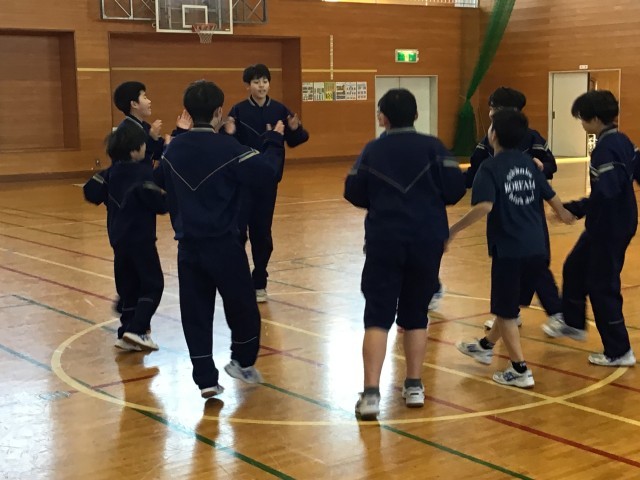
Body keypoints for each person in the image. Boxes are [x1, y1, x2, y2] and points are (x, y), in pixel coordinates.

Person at [154, 80, 285, 398]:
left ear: (187, 112)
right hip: (225, 245)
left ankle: (205, 379)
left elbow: (158, 187)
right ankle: (241, 361)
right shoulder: (229, 149)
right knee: (243, 308)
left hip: (188, 247)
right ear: (218, 112)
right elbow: (268, 173)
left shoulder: (173, 151)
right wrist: (274, 140)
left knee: (195, 313)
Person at [344, 88, 465, 419]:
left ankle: (371, 395)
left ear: (382, 118)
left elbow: (353, 191)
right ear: (416, 115)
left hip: (384, 240)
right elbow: (455, 189)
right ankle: (413, 386)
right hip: (427, 241)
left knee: (377, 316)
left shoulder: (373, 150)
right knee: (416, 315)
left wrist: (382, 200)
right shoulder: (435, 147)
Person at [452, 109, 575, 389]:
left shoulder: (489, 167)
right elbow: (551, 196)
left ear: (493, 134)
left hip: (509, 250)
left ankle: (520, 369)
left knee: (506, 311)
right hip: (537, 248)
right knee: (509, 305)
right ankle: (485, 346)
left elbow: (484, 206)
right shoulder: (529, 164)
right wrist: (565, 214)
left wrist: (453, 230)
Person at [542, 90, 638, 367]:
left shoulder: (605, 150)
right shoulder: (623, 140)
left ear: (595, 119)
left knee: (602, 286)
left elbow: (607, 192)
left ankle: (619, 350)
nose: (582, 124)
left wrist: (575, 208)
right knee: (574, 267)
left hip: (610, 227)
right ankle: (573, 323)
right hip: (609, 223)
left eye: (583, 119)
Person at [466, 87, 563, 331]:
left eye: (495, 108)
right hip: (503, 214)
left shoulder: (532, 138)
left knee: (535, 264)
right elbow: (473, 172)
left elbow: (551, 165)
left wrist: (543, 166)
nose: (490, 112)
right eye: (491, 107)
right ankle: (509, 314)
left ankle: (555, 312)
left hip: (529, 210)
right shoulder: (490, 140)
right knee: (510, 266)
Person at [224, 64, 309, 303]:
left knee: (262, 234)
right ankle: (240, 279)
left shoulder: (280, 109)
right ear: (247, 85)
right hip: (242, 182)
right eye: (256, 82)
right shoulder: (238, 110)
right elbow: (227, 143)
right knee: (238, 232)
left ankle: (259, 280)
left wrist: (296, 129)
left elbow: (296, 139)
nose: (261, 86)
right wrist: (228, 132)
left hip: (268, 182)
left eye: (264, 81)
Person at [83, 122, 168, 351]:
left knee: (129, 288)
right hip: (141, 240)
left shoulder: (110, 173)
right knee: (153, 285)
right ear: (134, 150)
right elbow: (161, 205)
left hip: (118, 241)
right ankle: (137, 329)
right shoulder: (143, 174)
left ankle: (125, 333)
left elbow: (90, 192)